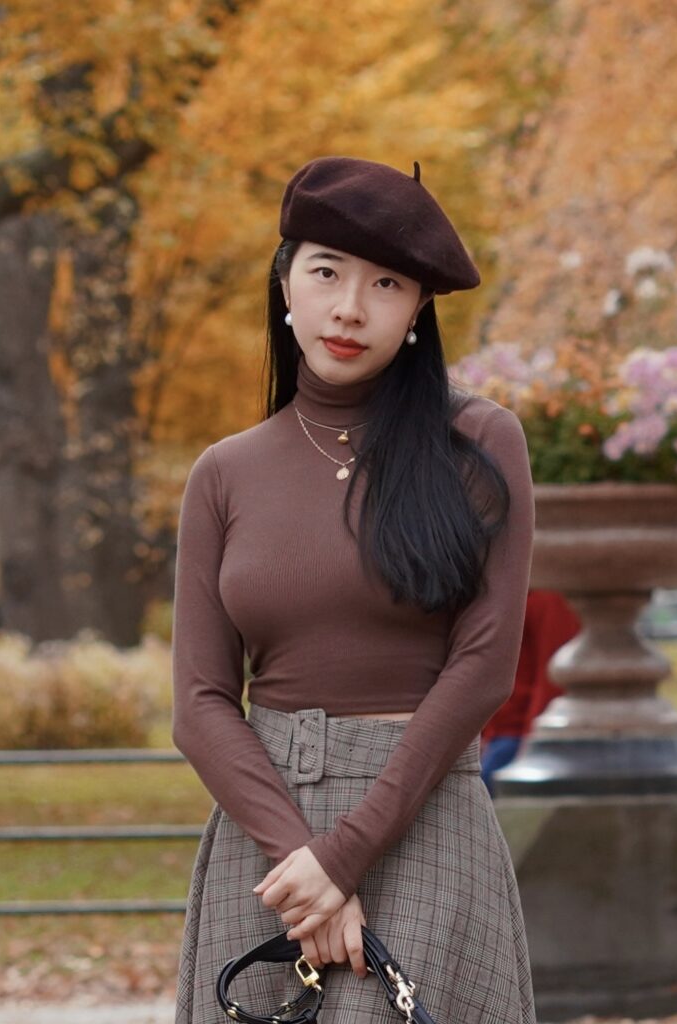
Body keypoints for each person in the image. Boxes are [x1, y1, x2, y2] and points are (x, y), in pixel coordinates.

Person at [171, 156, 536, 1023]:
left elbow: (483, 667)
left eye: (386, 284)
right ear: (285, 284)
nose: (349, 308)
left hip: (424, 819)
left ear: (417, 310)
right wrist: (306, 860)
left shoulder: (478, 442)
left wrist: (345, 855)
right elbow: (200, 701)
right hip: (267, 845)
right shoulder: (224, 474)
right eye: (326, 272)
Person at [479, 589, 581, 793]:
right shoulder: (517, 591)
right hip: (497, 737)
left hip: (517, 740)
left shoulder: (547, 595)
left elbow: (551, 679)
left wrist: (531, 744)